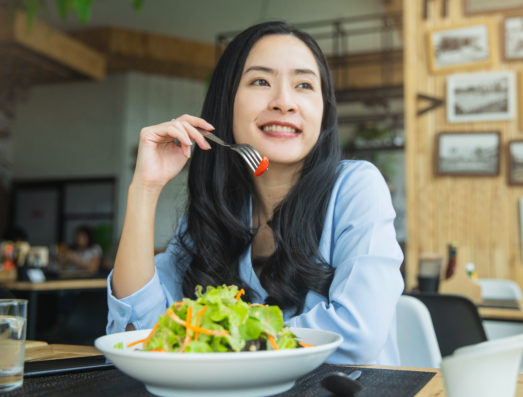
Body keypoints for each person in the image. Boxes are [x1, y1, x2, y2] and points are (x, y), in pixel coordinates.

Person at [106, 21, 404, 365]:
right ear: (227, 101)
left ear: (324, 111)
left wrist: (217, 345)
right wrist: (144, 188)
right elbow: (138, 332)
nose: (284, 102)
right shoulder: (217, 212)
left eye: (304, 85)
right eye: (261, 81)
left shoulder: (355, 188)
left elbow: (356, 335)